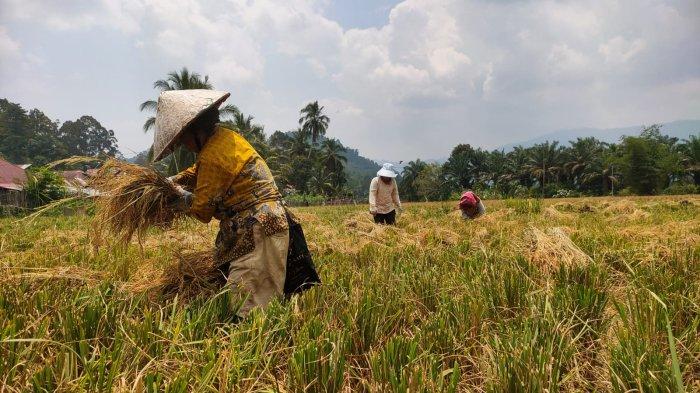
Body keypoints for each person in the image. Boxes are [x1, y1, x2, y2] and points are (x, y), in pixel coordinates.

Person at [152, 89, 318, 318]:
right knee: (250, 297)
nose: (185, 146)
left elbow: (201, 210)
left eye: (184, 140)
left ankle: (253, 348)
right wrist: (170, 181)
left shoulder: (213, 155)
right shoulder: (224, 138)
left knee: (248, 306)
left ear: (195, 131)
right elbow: (197, 172)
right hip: (265, 223)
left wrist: (174, 198)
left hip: (259, 228)